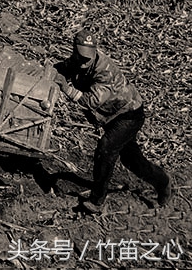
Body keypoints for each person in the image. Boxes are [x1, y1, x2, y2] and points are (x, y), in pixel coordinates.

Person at [54, 28, 171, 214]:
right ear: (75, 51)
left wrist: (66, 88)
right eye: (81, 57)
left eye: (88, 58)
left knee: (105, 150)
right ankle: (163, 182)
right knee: (132, 161)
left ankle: (97, 201)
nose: (84, 62)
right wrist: (50, 70)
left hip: (129, 114)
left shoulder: (104, 70)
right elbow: (63, 67)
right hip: (112, 116)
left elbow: (91, 101)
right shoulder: (78, 60)